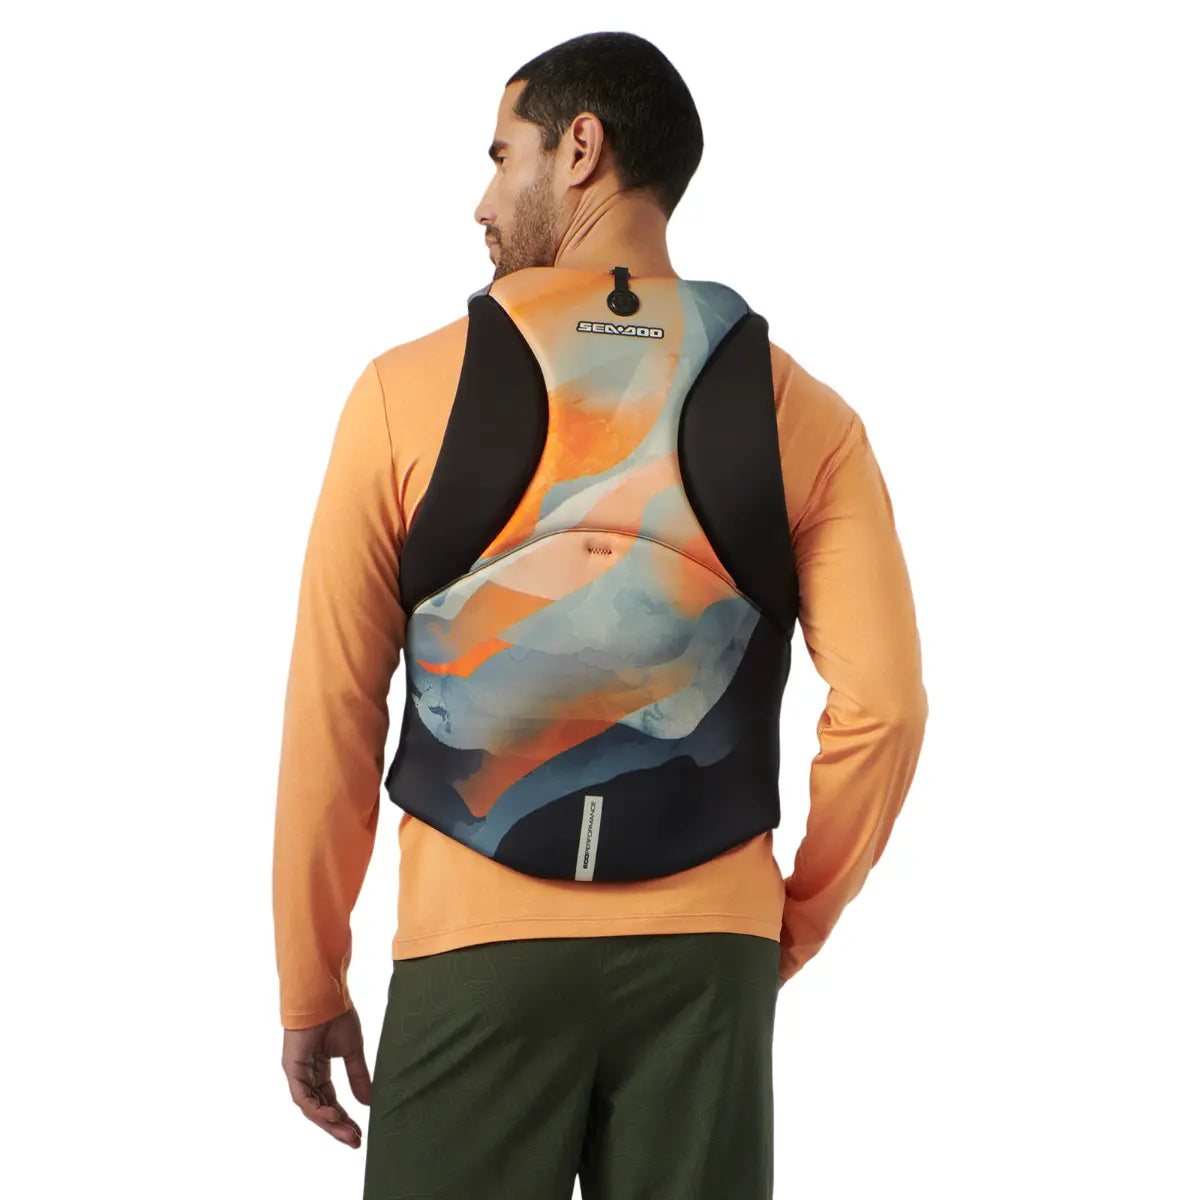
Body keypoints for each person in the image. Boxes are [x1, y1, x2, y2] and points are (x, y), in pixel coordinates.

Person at [272, 30, 928, 1200]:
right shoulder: (804, 413)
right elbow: (885, 707)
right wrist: (784, 924)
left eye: (501, 154)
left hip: (476, 946)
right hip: (708, 952)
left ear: (581, 149)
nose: (482, 201)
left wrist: (309, 977)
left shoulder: (401, 394)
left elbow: (335, 705)